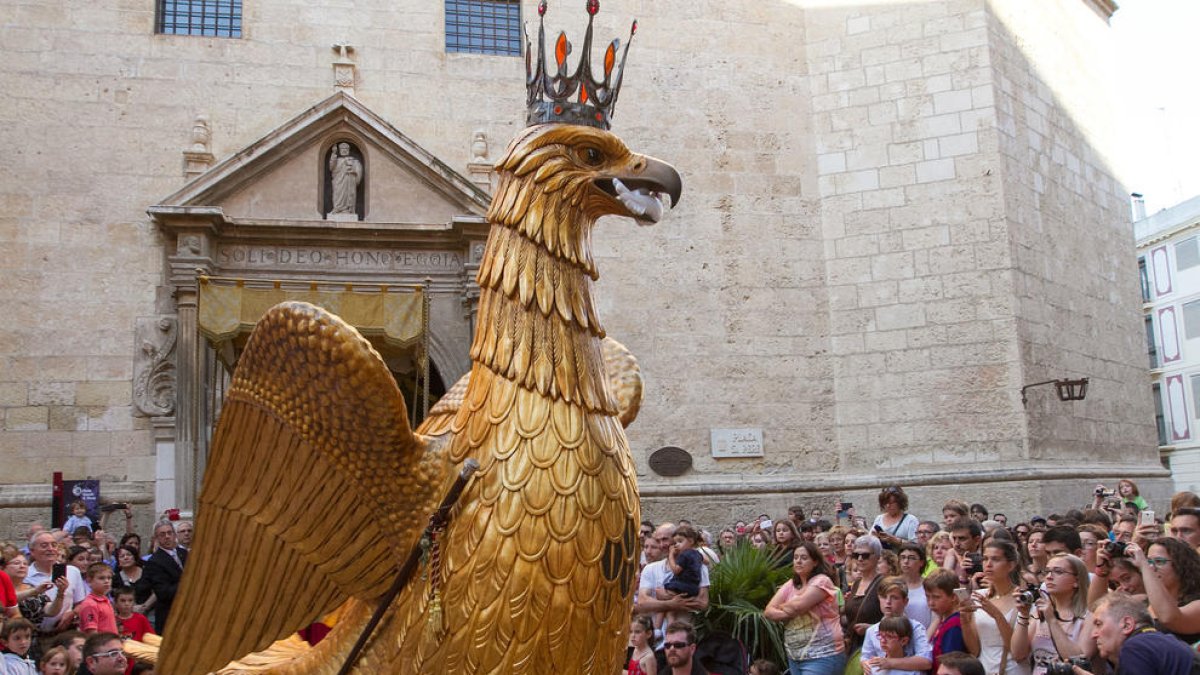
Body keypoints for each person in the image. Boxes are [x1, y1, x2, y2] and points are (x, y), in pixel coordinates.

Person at [763, 542, 845, 675]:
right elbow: (768, 611)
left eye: (804, 558)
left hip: (823, 655)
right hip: (795, 656)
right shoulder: (791, 584)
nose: (798, 561)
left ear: (815, 562)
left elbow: (797, 607)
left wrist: (784, 606)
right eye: (796, 557)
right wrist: (792, 609)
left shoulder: (822, 581)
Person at [1010, 554, 1093, 675]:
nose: (1049, 577)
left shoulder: (1088, 616)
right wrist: (1023, 615)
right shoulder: (1038, 612)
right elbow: (1018, 654)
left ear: (1077, 581)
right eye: (1047, 571)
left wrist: (1052, 621)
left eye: (1058, 572)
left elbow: (1079, 662)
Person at [1082, 592, 1199, 675]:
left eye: (1099, 624)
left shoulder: (1135, 647)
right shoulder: (1159, 642)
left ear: (1127, 625)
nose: (1093, 634)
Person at [960, 540, 1029, 675]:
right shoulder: (978, 596)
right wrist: (965, 620)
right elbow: (974, 650)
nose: (988, 564)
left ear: (1011, 565)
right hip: (983, 669)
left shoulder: (1021, 598)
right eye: (985, 559)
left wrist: (996, 615)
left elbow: (1018, 652)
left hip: (1012, 669)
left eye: (996, 559)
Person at [1126, 537, 1200, 644]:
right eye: (1148, 561)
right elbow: (1093, 608)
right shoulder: (1140, 601)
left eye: (1159, 561)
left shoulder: (1197, 604)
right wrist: (1102, 571)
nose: (1151, 567)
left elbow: (1169, 618)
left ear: (1182, 566)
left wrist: (1144, 565)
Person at [860, 577, 933, 674]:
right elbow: (865, 657)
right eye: (884, 597)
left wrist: (889, 662)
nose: (888, 602)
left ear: (905, 601)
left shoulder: (916, 628)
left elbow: (926, 661)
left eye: (894, 597)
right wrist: (865, 663)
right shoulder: (872, 630)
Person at [24, 534, 86, 637]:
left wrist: (72, 614)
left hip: (66, 632)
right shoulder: (25, 575)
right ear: (32, 551)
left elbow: (81, 602)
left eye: (54, 545)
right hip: (37, 635)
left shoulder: (72, 571)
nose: (50, 549)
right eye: (44, 546)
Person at [842, 536, 885, 657]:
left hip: (876, 649)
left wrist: (872, 628)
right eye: (856, 555)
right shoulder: (856, 583)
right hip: (854, 648)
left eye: (865, 555)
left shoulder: (884, 584)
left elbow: (898, 619)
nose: (860, 559)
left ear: (878, 556)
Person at [142, 521, 187, 635]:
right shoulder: (154, 562)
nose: (167, 537)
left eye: (169, 533)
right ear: (157, 538)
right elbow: (163, 593)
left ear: (174, 535)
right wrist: (188, 582)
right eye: (162, 534)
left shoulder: (184, 553)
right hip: (170, 616)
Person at [657, 525, 704, 632]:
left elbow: (676, 570)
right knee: (671, 610)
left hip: (681, 586)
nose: (677, 545)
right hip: (693, 588)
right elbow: (706, 561)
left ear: (691, 541)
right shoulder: (698, 554)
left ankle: (658, 629)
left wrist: (671, 556)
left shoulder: (685, 554)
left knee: (663, 603)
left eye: (680, 541)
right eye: (675, 542)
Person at [924, 569, 968, 674]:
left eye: (936, 597)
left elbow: (950, 665)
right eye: (927, 597)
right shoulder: (943, 620)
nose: (930, 602)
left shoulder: (954, 624)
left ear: (953, 596)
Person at [75, 564, 116, 636]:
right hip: (101, 645)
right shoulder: (90, 604)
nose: (106, 581)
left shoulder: (106, 600)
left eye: (109, 578)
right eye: (101, 578)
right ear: (89, 581)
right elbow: (91, 633)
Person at [111, 547, 153, 618]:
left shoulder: (147, 572)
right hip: (126, 615)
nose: (126, 558)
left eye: (129, 555)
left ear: (135, 557)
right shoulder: (115, 579)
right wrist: (131, 608)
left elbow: (156, 592)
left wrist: (145, 607)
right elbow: (114, 599)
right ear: (118, 561)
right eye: (122, 556)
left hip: (150, 613)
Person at [896, 543, 931, 629]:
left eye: (912, 558)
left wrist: (925, 640)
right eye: (903, 557)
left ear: (921, 562)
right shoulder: (893, 584)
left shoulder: (930, 585)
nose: (906, 561)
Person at [327, 142, 362, 215]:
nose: (344, 150)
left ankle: (348, 210)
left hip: (349, 182)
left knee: (348, 195)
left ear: (348, 150)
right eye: (342, 149)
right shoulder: (337, 160)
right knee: (337, 194)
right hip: (338, 182)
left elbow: (359, 171)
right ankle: (337, 209)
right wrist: (333, 154)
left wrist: (353, 171)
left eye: (346, 149)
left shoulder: (353, 161)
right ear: (339, 150)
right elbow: (331, 167)